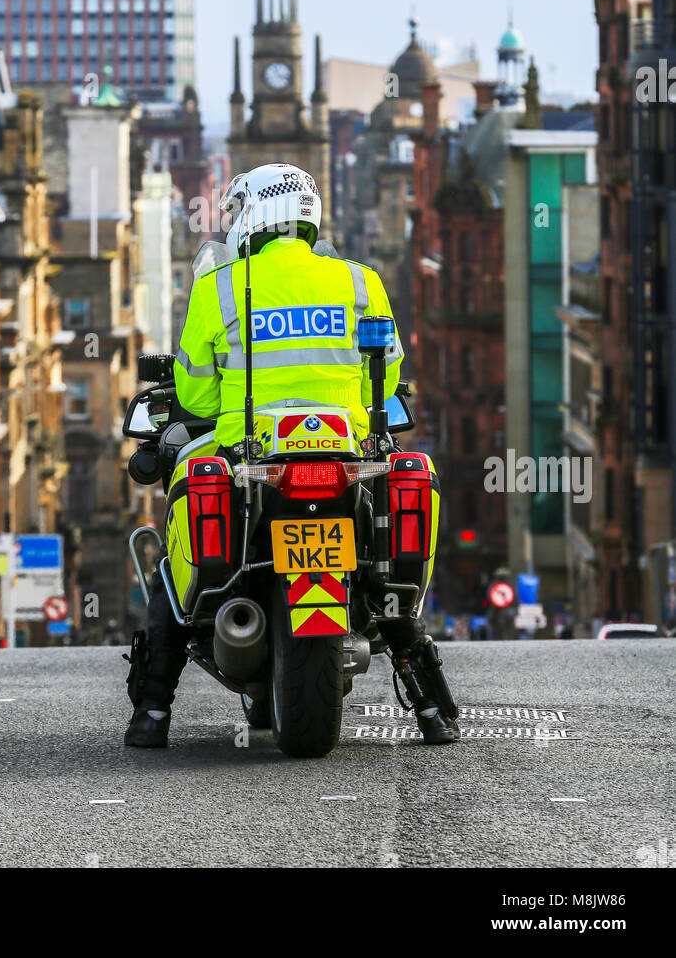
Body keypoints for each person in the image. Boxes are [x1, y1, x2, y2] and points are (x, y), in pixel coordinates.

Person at [124, 162, 459, 747]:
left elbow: (198, 391)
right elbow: (385, 378)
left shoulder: (219, 287)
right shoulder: (361, 282)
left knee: (173, 574)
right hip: (344, 450)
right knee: (385, 587)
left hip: (249, 455)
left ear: (251, 215)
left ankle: (152, 713)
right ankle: (430, 707)